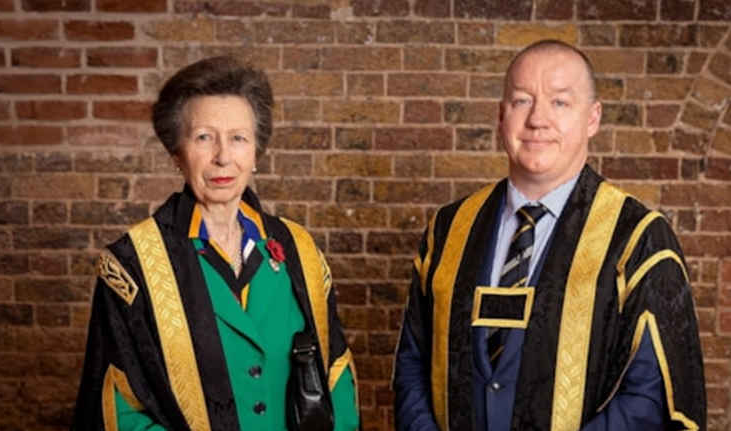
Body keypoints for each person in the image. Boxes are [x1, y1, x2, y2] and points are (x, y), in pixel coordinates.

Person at [392, 39, 706, 431]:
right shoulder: (449, 230)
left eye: (559, 103)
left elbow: (649, 396)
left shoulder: (637, 239)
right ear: (501, 114)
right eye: (522, 100)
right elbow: (412, 365)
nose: (537, 120)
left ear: (592, 118)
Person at [71, 55, 361, 431]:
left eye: (238, 138)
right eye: (204, 137)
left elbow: (334, 373)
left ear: (256, 152)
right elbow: (117, 408)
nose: (223, 156)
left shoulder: (299, 250)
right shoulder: (133, 265)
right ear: (177, 153)